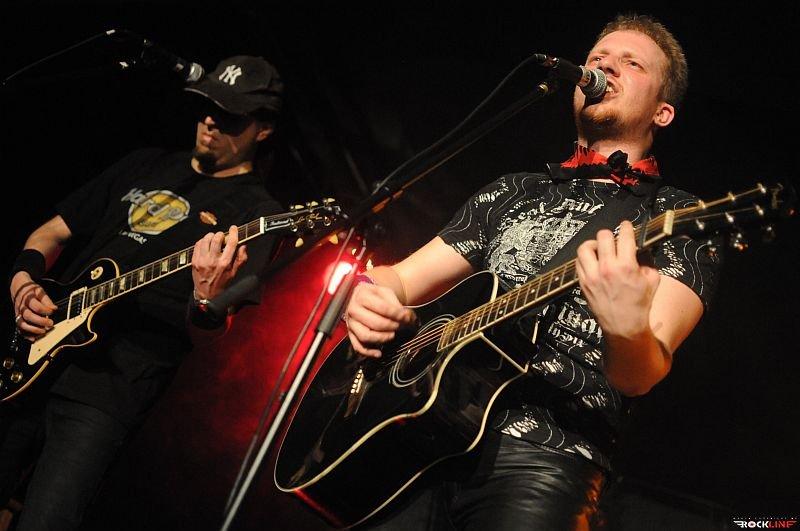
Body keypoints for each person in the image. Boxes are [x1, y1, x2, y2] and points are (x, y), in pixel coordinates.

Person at [344, 14, 720, 530]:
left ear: (663, 112)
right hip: (421, 439)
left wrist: (626, 325)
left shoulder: (682, 216)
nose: (606, 66)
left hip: (546, 459)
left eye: (631, 64)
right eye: (597, 59)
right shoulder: (512, 190)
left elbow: (640, 377)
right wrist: (367, 294)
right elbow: (400, 279)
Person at [2, 55, 285, 529]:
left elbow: (215, 336)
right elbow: (50, 233)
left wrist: (205, 298)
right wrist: (22, 283)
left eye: (231, 117)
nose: (211, 122)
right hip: (29, 355)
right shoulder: (146, 162)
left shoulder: (256, 216)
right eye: (208, 108)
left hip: (109, 392)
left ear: (264, 129)